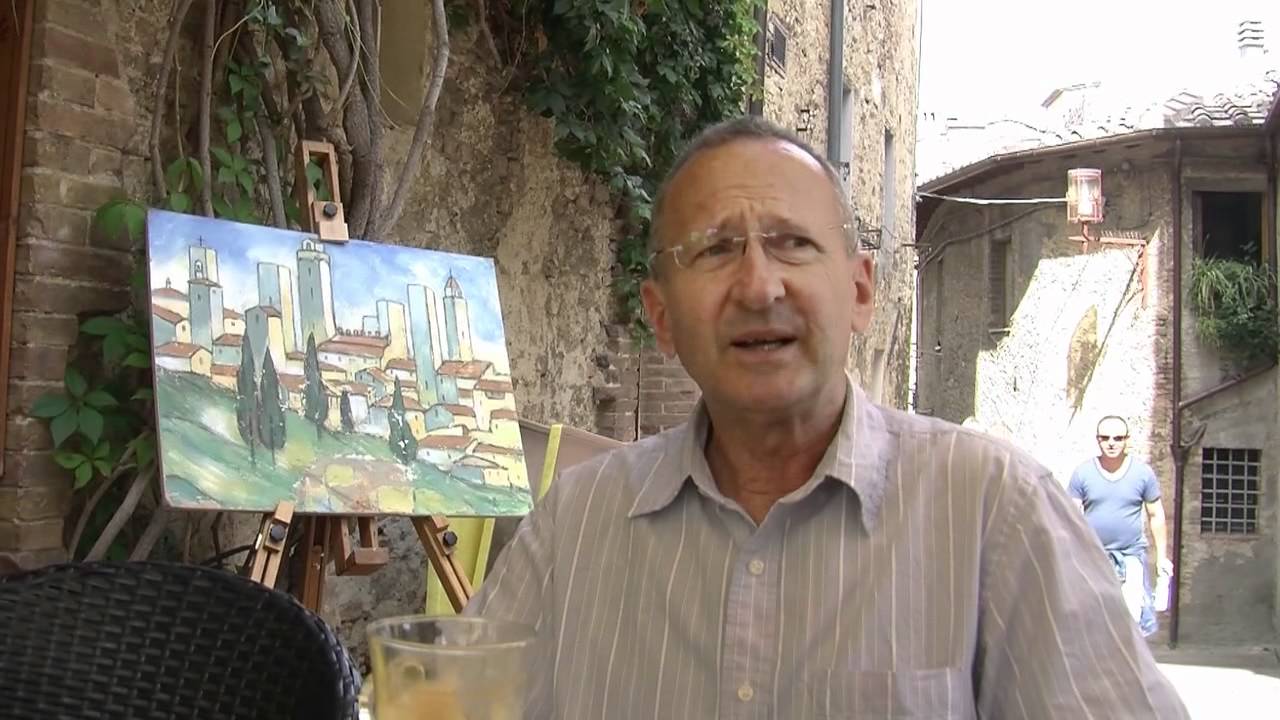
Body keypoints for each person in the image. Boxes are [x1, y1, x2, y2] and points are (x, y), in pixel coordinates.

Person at [467, 116, 1187, 718]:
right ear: (661, 317)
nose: (759, 286)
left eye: (793, 243)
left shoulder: (996, 510)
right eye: (715, 249)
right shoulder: (577, 524)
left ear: (860, 291)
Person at [1069, 415, 1172, 637]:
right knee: (1093, 620)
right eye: (1105, 438)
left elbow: (1156, 515)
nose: (1111, 443)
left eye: (1117, 438)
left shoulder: (1142, 474)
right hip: (1094, 556)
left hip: (1131, 556)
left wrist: (1162, 559)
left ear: (1127, 440)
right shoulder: (1082, 473)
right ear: (1097, 439)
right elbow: (1071, 517)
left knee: (1132, 623)